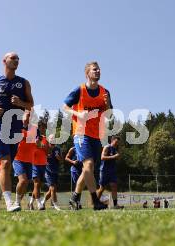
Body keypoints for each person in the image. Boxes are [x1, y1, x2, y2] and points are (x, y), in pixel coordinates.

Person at [0, 52, 34, 212]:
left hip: (16, 128)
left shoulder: (24, 83)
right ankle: (10, 203)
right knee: (4, 163)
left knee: (7, 165)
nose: (16, 60)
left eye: (18, 58)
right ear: (4, 61)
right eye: (13, 58)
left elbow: (31, 105)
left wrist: (20, 103)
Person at [62, 61, 111, 210]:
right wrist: (78, 114)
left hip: (96, 135)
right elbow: (64, 106)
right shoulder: (79, 90)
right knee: (88, 165)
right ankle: (95, 201)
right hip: (81, 133)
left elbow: (108, 115)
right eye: (94, 70)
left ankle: (74, 198)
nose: (98, 71)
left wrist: (108, 105)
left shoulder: (105, 92)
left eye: (99, 70)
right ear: (87, 73)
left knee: (87, 170)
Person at [97, 136, 124, 209]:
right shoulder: (107, 147)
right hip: (104, 170)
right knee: (102, 188)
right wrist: (114, 156)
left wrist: (118, 155)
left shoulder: (116, 149)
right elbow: (102, 157)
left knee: (114, 186)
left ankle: (115, 205)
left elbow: (117, 158)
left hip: (112, 171)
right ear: (112, 141)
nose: (118, 143)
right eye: (116, 141)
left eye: (119, 142)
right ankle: (95, 203)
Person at [30, 121, 49, 210]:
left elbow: (48, 151)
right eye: (42, 127)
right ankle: (39, 204)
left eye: (45, 128)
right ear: (38, 128)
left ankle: (30, 203)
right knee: (37, 184)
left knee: (38, 185)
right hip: (34, 163)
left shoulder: (46, 139)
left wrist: (43, 146)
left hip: (43, 164)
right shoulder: (32, 137)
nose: (43, 129)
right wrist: (41, 145)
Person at [42, 134, 62, 211]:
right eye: (51, 140)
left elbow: (61, 160)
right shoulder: (45, 148)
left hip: (55, 171)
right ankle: (56, 205)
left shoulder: (58, 149)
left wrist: (58, 157)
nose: (52, 142)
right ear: (48, 141)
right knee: (53, 188)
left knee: (51, 190)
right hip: (47, 171)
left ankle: (42, 202)